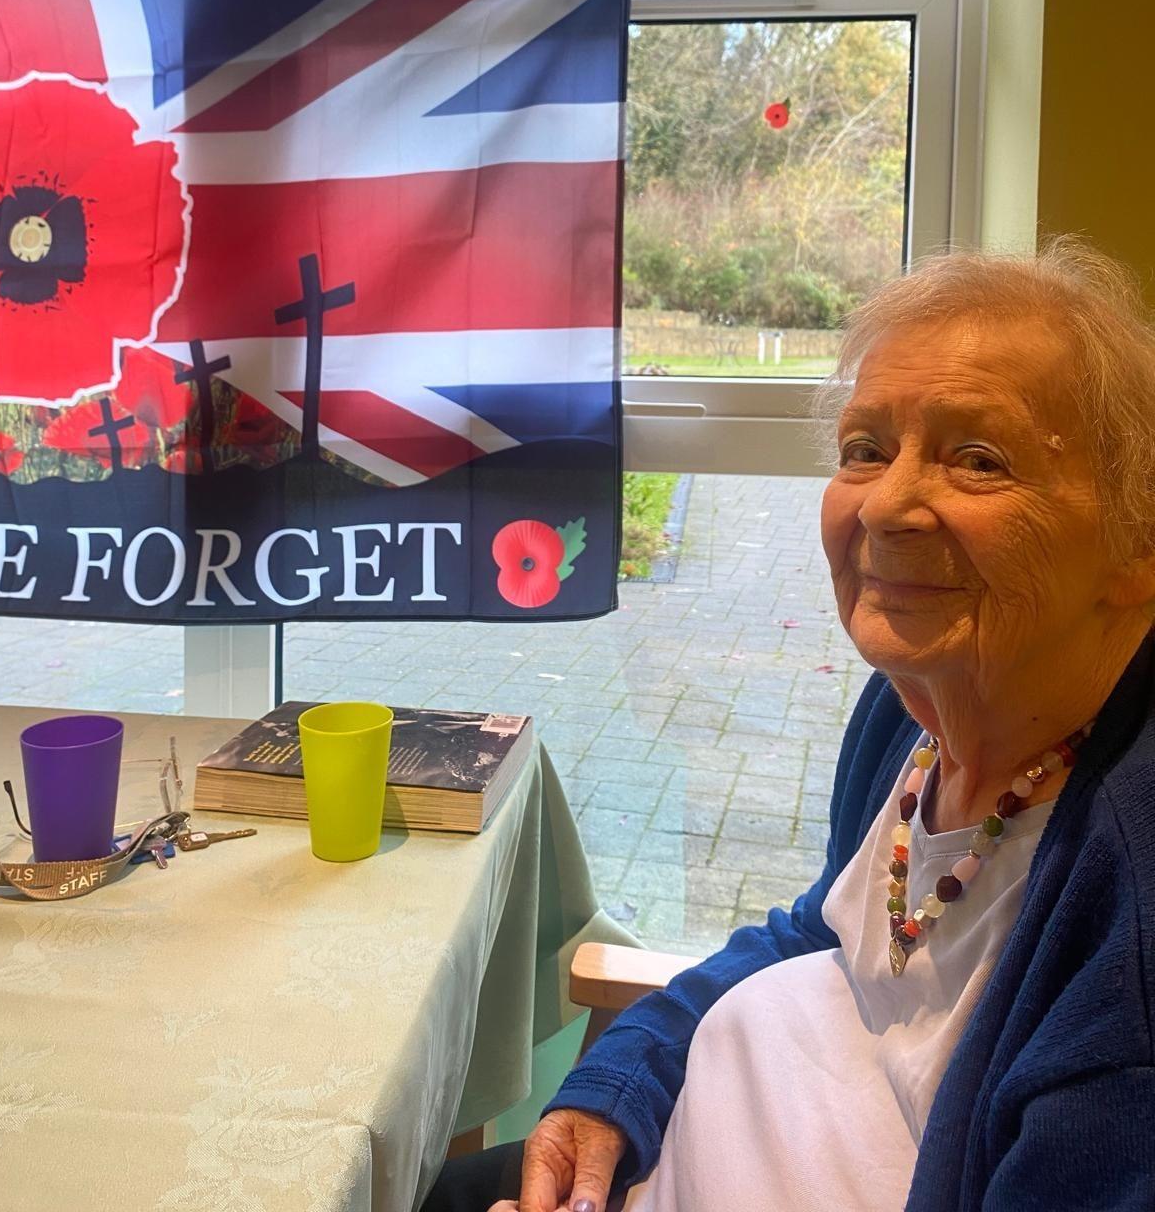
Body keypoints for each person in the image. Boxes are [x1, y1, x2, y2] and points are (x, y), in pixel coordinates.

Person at [423, 236, 1155, 1212]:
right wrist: (622, 1081)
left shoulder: (1127, 933)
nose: (889, 502)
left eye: (978, 459)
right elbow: (822, 930)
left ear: (1137, 545)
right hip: (669, 1139)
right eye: (865, 448)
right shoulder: (924, 709)